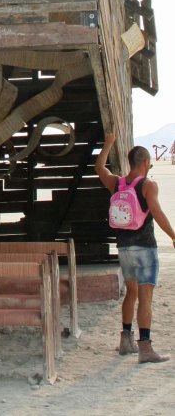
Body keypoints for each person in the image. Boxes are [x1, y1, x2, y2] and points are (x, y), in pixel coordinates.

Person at [95, 130, 175, 363]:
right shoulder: (149, 185)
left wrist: (108, 143)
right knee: (146, 297)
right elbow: (157, 214)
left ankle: (125, 340)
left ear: (131, 163)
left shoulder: (117, 183)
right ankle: (146, 348)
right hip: (145, 249)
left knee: (130, 293)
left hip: (124, 249)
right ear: (147, 163)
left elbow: (99, 167)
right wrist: (173, 236)